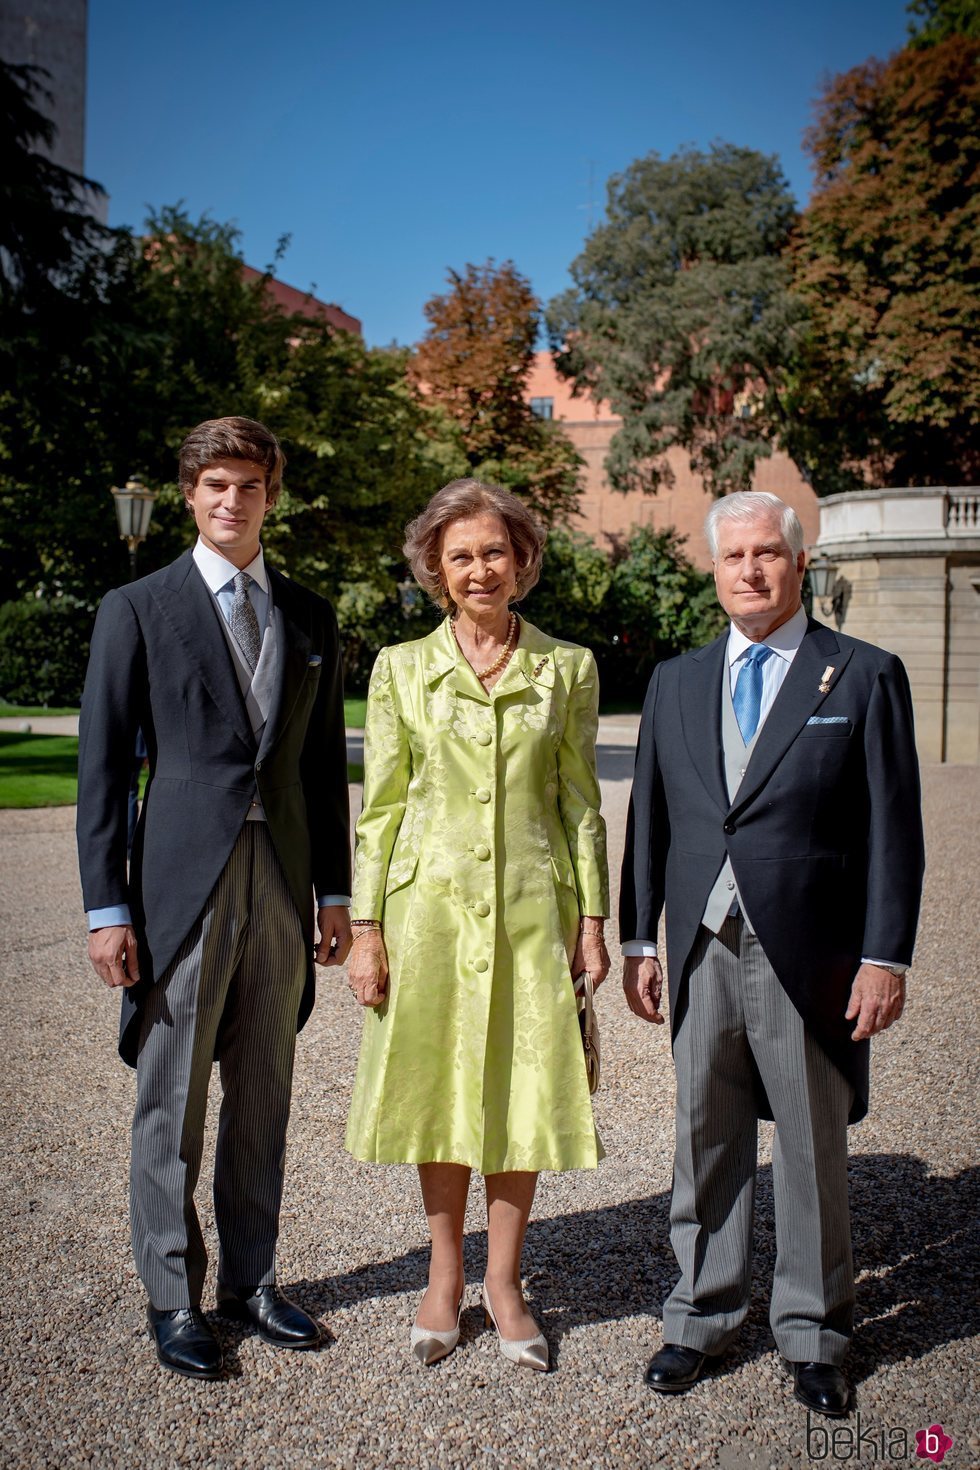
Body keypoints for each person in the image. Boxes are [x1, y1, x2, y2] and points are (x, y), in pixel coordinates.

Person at [620, 491, 924, 1417]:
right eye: (732, 557)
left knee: (808, 1144)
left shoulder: (863, 675)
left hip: (814, 948)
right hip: (704, 941)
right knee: (704, 1136)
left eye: (766, 555)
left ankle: (815, 1330)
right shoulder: (676, 679)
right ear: (713, 571)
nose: (749, 571)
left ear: (799, 565)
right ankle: (701, 1314)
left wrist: (886, 956)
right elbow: (651, 822)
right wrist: (639, 935)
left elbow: (895, 830)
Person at [76, 417, 352, 1381]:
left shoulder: (312, 616)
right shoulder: (137, 608)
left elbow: (321, 769)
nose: (232, 500)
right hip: (177, 885)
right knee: (171, 1097)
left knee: (264, 1095)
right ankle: (170, 1295)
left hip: (281, 880)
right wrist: (107, 910)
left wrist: (336, 894)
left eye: (250, 485)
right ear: (189, 494)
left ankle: (253, 1281)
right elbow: (103, 769)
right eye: (215, 485)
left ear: (272, 494)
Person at [345, 478, 610, 1372]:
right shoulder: (398, 669)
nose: (479, 568)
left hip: (536, 913)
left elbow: (580, 804)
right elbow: (379, 810)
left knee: (523, 1091)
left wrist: (596, 920)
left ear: (522, 559)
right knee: (437, 1092)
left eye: (494, 550)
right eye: (460, 555)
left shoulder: (565, 667)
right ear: (436, 567)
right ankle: (443, 1277)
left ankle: (506, 1281)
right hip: (428, 919)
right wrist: (369, 926)